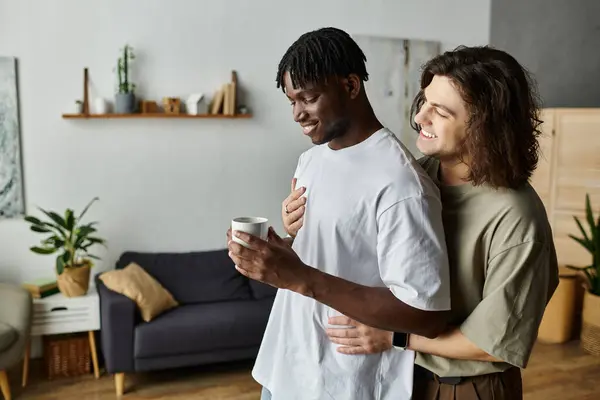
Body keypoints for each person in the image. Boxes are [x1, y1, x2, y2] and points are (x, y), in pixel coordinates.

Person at [286, 45, 560, 400]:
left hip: (465, 389)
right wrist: (298, 225)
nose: (420, 118)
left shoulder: (517, 218)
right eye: (424, 102)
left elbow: (494, 344)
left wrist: (394, 337)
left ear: (484, 125)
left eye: (440, 112)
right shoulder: (414, 176)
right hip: (398, 376)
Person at [226, 27, 451, 399]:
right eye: (291, 101)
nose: (298, 113)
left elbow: (426, 315)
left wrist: (299, 277)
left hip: (344, 383)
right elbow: (325, 251)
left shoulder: (401, 184)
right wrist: (274, 254)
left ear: (350, 86)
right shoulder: (310, 160)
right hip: (283, 368)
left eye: (309, 98)